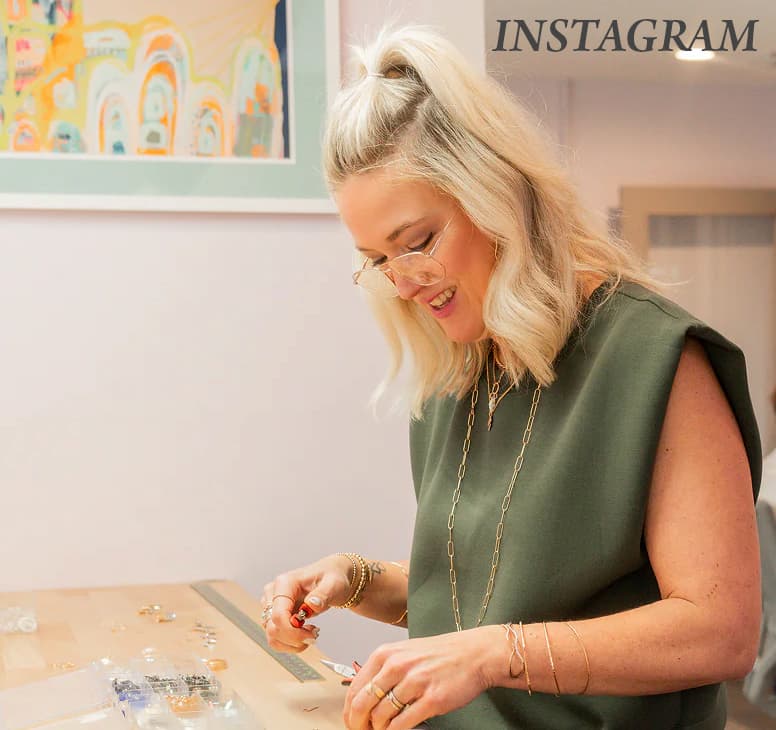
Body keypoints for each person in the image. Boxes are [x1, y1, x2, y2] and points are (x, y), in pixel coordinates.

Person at [260, 26, 762, 730]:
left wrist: (492, 655)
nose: (403, 282)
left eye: (417, 242)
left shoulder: (655, 357)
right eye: (377, 259)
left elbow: (721, 631)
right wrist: (359, 581)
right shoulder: (458, 371)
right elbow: (489, 605)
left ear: (495, 190)